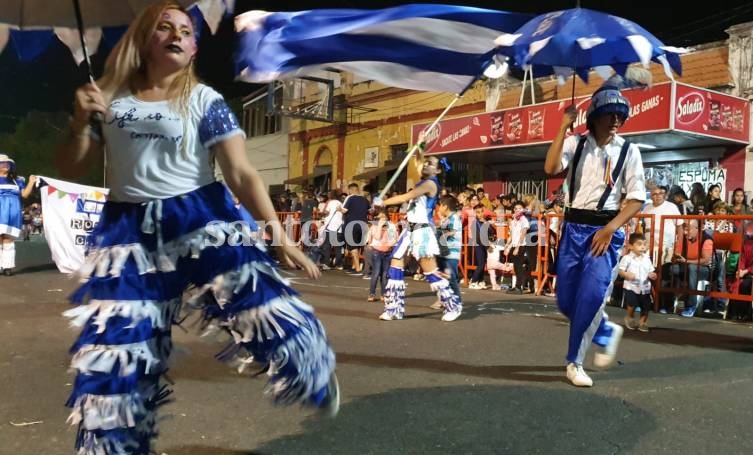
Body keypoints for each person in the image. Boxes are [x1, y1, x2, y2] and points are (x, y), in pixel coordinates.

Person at [54, 3, 338, 453]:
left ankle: (308, 372)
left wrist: (279, 238)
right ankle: (114, 444)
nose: (175, 34)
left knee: (262, 306)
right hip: (129, 233)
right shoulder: (107, 95)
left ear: (193, 49)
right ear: (144, 40)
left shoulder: (205, 100)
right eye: (163, 27)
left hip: (201, 217)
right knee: (117, 354)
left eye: (185, 30)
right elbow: (74, 163)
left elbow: (242, 173)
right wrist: (78, 122)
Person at [544, 71, 649, 387]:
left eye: (620, 114)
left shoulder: (629, 151)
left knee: (590, 297)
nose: (616, 120)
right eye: (609, 114)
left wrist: (610, 229)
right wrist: (563, 126)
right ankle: (604, 328)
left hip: (606, 234)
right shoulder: (575, 144)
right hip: (573, 229)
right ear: (595, 116)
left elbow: (635, 200)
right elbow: (550, 168)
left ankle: (574, 362)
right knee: (566, 301)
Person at [373, 136, 462, 322]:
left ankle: (453, 305)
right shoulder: (424, 180)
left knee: (430, 272)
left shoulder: (430, 184)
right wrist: (419, 146)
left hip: (422, 232)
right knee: (395, 267)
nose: (427, 165)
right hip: (409, 230)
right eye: (427, 163)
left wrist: (383, 202)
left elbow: (408, 196)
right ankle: (394, 308)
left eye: (432, 164)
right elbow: (419, 161)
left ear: (438, 170)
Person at [0, 154, 37, 275]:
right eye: (2, 163)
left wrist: (31, 182)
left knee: (8, 238)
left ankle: (7, 267)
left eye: (7, 163)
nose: (6, 165)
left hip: (13, 212)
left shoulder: (17, 180)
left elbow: (25, 195)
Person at [669, 220, 714, 317]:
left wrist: (686, 261)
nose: (685, 232)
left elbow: (705, 260)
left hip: (703, 270)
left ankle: (691, 305)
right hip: (686, 266)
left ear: (697, 229)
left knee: (692, 268)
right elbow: (678, 254)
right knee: (671, 268)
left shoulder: (706, 239)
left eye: (688, 229)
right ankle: (668, 303)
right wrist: (675, 257)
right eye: (685, 229)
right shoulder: (683, 238)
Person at [619, 233, 657, 332]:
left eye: (644, 244)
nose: (642, 247)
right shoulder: (627, 258)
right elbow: (620, 271)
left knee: (646, 306)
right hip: (631, 286)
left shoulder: (646, 258)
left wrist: (651, 274)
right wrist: (626, 274)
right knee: (632, 303)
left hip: (644, 287)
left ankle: (642, 323)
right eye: (639, 244)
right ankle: (630, 317)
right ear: (631, 246)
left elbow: (650, 270)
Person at [433, 195, 463, 306]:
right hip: (443, 253)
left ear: (445, 206)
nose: (438, 208)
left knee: (451, 278)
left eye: (440, 205)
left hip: (451, 254)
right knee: (442, 278)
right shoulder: (447, 219)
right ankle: (443, 300)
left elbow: (451, 232)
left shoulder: (454, 218)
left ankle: (456, 301)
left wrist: (438, 233)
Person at [366, 208, 397, 302]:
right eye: (380, 216)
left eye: (384, 216)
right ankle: (372, 293)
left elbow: (394, 238)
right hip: (377, 251)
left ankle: (384, 294)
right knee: (376, 272)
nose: (383, 218)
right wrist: (380, 226)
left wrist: (390, 244)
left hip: (387, 252)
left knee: (385, 274)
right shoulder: (375, 225)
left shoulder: (391, 225)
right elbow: (377, 237)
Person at [339, 182, 370, 274]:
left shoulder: (350, 198)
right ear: (358, 190)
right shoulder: (365, 199)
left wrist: (339, 209)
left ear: (350, 190)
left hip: (351, 225)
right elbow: (370, 210)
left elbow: (344, 210)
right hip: (363, 225)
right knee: (361, 246)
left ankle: (357, 268)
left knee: (353, 247)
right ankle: (356, 266)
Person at [505, 201, 530, 295]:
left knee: (519, 267)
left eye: (519, 208)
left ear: (523, 209)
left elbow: (523, 234)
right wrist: (507, 246)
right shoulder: (513, 220)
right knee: (515, 266)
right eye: (515, 208)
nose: (517, 210)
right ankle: (516, 286)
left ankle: (519, 287)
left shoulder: (524, 219)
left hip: (521, 245)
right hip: (514, 244)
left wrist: (517, 248)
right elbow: (511, 235)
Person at [319, 189, 344, 270]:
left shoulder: (331, 202)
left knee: (327, 245)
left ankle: (326, 263)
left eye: (329, 194)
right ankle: (339, 264)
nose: (328, 195)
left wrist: (320, 214)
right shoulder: (341, 203)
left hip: (330, 226)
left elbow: (326, 212)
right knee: (337, 247)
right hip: (339, 227)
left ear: (332, 195)